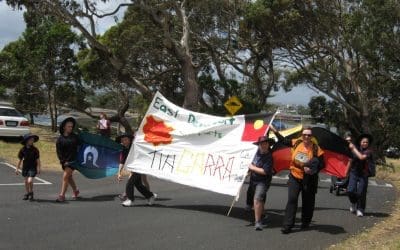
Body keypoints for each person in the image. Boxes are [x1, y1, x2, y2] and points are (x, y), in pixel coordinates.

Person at [270, 125, 325, 234]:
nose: (306, 137)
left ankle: (306, 222)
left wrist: (312, 170)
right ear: (302, 135)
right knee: (292, 199)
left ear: (311, 136)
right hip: (294, 176)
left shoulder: (316, 148)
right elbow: (283, 141)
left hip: (309, 179)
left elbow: (322, 164)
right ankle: (287, 225)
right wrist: (274, 130)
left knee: (308, 202)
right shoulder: (297, 142)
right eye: (304, 134)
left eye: (309, 135)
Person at [116, 133, 157, 207]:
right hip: (134, 168)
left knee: (130, 182)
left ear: (130, 140)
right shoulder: (124, 149)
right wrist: (119, 173)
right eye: (122, 140)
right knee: (138, 184)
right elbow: (122, 162)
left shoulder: (135, 147)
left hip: (140, 166)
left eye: (125, 140)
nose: (124, 142)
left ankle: (130, 199)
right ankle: (150, 196)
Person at [248, 135, 275, 231]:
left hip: (263, 181)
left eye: (265, 143)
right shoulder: (255, 153)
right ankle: (262, 214)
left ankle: (258, 222)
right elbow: (250, 164)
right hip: (253, 180)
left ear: (268, 145)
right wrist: (248, 170)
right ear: (259, 145)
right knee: (259, 199)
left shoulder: (269, 157)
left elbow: (265, 171)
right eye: (261, 144)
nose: (263, 145)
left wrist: (252, 168)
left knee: (257, 198)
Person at [347, 133, 375, 217]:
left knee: (361, 192)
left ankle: (360, 209)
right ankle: (353, 203)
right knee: (350, 190)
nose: (365, 143)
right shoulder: (355, 149)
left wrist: (353, 149)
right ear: (360, 142)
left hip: (364, 174)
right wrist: (345, 172)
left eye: (366, 142)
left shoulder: (369, 151)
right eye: (363, 142)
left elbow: (362, 157)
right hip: (354, 172)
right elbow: (350, 160)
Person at [56, 117, 80, 202]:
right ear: (64, 127)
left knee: (65, 176)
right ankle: (76, 190)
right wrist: (63, 161)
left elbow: (81, 146)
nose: (70, 128)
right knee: (69, 177)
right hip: (64, 162)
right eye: (69, 126)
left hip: (73, 161)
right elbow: (59, 152)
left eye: (71, 126)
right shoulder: (60, 139)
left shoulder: (75, 137)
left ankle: (62, 195)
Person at [15, 134, 41, 201]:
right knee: (26, 181)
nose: (32, 141)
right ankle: (28, 193)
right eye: (30, 140)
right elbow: (20, 159)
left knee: (30, 181)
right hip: (25, 167)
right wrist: (17, 168)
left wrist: (38, 168)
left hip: (32, 167)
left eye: (33, 140)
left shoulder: (35, 150)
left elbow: (38, 160)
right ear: (26, 141)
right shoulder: (22, 149)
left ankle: (31, 192)